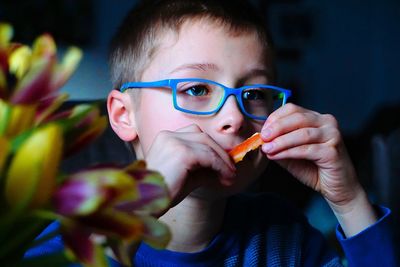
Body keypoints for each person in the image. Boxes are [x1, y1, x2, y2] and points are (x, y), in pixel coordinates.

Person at [28, 0, 397, 266]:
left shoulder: (284, 236)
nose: (235, 118)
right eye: (197, 89)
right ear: (125, 116)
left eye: (252, 94)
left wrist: (349, 201)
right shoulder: (68, 235)